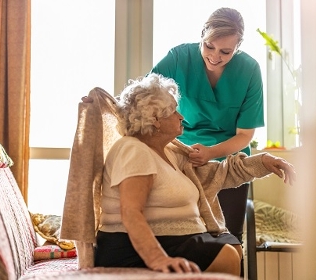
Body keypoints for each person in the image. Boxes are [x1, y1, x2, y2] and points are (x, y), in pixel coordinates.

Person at [93, 73, 295, 276]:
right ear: (155, 119)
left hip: (175, 238)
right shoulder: (133, 149)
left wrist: (264, 162)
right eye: (173, 111)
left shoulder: (172, 153)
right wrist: (157, 258)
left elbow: (220, 173)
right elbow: (131, 212)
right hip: (129, 246)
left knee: (231, 247)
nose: (181, 117)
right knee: (226, 256)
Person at [150, 7, 265, 244]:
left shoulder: (250, 70)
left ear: (238, 46)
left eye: (226, 51)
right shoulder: (179, 58)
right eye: (208, 46)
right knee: (183, 237)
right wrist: (103, 103)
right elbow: (143, 97)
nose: (214, 56)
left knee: (230, 238)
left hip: (230, 160)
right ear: (202, 34)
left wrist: (212, 153)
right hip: (182, 155)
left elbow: (244, 135)